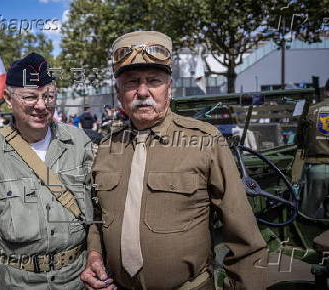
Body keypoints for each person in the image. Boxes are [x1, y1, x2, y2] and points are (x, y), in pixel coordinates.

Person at [81, 31, 267, 290]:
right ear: (118, 91)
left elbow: (244, 239)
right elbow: (99, 218)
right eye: (132, 82)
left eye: (153, 81)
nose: (143, 92)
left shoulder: (204, 141)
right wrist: (94, 255)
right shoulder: (106, 148)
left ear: (169, 88)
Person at [0, 53, 93, 289]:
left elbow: (98, 211)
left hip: (75, 280)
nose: (41, 106)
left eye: (48, 96)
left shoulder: (79, 142)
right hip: (15, 283)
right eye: (30, 97)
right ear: (8, 98)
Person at [297, 79, 329, 219]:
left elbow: (299, 141)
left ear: (326, 91)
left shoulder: (310, 111)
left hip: (316, 167)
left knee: (307, 216)